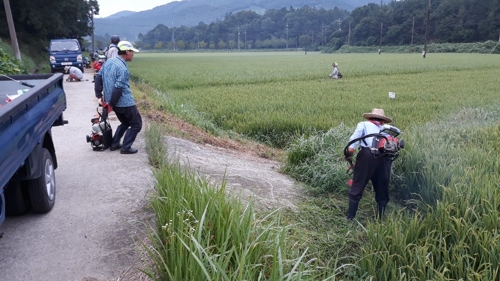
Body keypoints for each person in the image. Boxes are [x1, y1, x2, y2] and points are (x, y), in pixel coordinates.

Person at [94, 41, 142, 154]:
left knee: (125, 123)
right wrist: (111, 103)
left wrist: (99, 95)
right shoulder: (123, 69)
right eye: (132, 52)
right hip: (125, 102)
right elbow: (118, 88)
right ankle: (126, 147)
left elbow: (98, 78)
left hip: (112, 101)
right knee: (137, 124)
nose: (133, 55)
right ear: (127, 52)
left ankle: (114, 144)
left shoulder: (108, 62)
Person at [344, 108, 393, 220]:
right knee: (382, 186)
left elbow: (354, 140)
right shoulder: (387, 129)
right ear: (383, 119)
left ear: (370, 117)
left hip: (368, 155)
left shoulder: (364, 124)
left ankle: (350, 218)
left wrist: (349, 152)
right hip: (385, 158)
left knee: (358, 184)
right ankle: (380, 218)